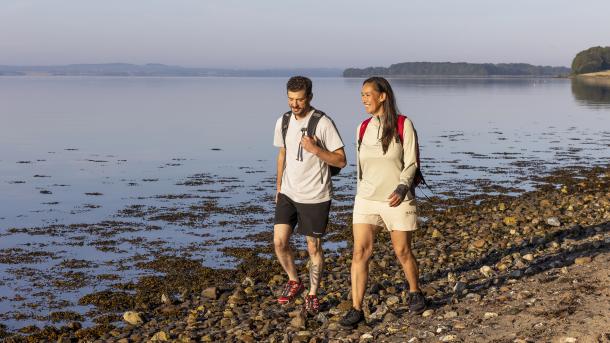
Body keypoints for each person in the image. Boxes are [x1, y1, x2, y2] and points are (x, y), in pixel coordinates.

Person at [340, 76, 426, 327]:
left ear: (383, 96)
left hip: (396, 199)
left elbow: (411, 162)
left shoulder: (403, 124)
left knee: (402, 251)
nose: (363, 98)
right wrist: (359, 194)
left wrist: (402, 187)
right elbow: (360, 168)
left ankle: (415, 291)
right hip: (366, 198)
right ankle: (356, 309)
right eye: (362, 95)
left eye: (368, 94)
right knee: (360, 252)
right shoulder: (362, 128)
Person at [272, 76, 346, 315]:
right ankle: (294, 280)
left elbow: (341, 160)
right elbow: (283, 154)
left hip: (316, 195)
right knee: (279, 242)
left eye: (300, 99)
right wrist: (278, 187)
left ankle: (312, 294)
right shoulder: (283, 121)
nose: (295, 105)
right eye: (291, 99)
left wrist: (315, 149)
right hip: (288, 193)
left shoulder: (323, 123)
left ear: (310, 97)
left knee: (313, 248)